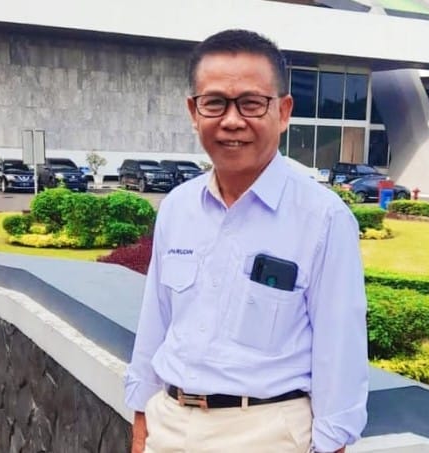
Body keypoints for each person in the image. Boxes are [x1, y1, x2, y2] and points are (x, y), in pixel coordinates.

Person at [124, 29, 368, 453]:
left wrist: (332, 444)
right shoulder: (178, 207)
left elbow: (340, 349)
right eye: (215, 103)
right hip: (170, 423)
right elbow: (155, 320)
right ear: (194, 111)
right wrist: (142, 417)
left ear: (283, 111)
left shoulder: (323, 218)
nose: (232, 121)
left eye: (251, 103)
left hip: (267, 432)